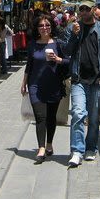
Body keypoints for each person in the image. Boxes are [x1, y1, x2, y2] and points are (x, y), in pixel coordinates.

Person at [62, 0, 100, 167]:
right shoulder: (72, 29)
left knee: (92, 118)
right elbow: (67, 51)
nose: (83, 12)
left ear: (93, 9)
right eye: (81, 9)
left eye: (86, 9)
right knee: (77, 113)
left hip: (96, 80)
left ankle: (90, 147)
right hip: (78, 78)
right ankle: (77, 150)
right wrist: (74, 36)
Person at [20, 14, 69, 164]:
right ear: (37, 29)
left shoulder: (58, 44)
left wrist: (59, 60)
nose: (44, 28)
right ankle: (41, 148)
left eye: (47, 25)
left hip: (53, 85)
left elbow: (69, 61)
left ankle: (49, 144)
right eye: (41, 26)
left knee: (51, 118)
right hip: (35, 85)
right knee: (40, 117)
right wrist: (24, 82)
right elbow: (29, 65)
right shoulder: (33, 44)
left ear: (51, 27)